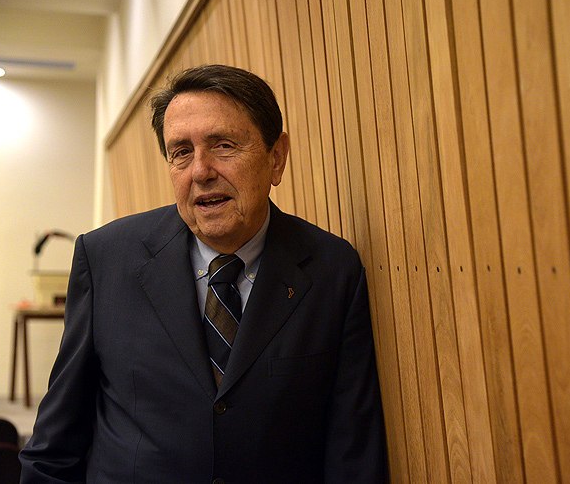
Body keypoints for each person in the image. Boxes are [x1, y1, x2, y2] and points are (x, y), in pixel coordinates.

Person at [19, 64, 387, 484]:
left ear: (276, 157)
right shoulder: (106, 259)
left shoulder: (332, 271)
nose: (200, 171)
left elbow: (353, 455)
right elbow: (53, 447)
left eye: (223, 146)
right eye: (181, 152)